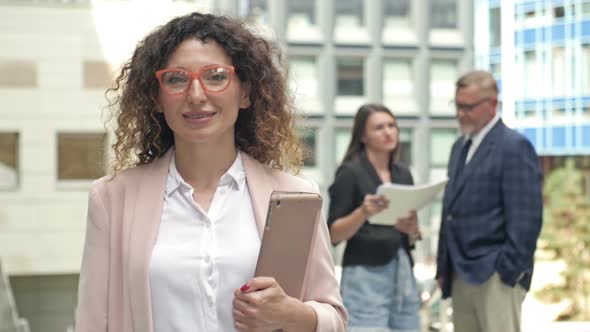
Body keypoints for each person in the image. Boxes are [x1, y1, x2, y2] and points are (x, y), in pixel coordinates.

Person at [75, 12, 347, 332]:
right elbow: (93, 321)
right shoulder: (112, 199)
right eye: (176, 78)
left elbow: (335, 318)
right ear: (157, 98)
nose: (196, 95)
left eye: (216, 76)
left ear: (245, 93)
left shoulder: (297, 196)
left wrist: (295, 315)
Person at [435, 70, 543, 332]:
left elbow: (526, 219)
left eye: (468, 107)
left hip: (496, 276)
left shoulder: (514, 147)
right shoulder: (459, 147)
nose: (460, 113)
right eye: (457, 105)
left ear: (492, 103)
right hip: (460, 273)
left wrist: (507, 272)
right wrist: (443, 266)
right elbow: (450, 210)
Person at [327, 104, 421, 332]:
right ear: (363, 136)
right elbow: (332, 233)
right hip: (365, 275)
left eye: (392, 126)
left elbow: (412, 233)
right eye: (379, 128)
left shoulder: (402, 172)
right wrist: (363, 212)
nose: (388, 132)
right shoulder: (350, 173)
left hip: (403, 271)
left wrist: (413, 230)